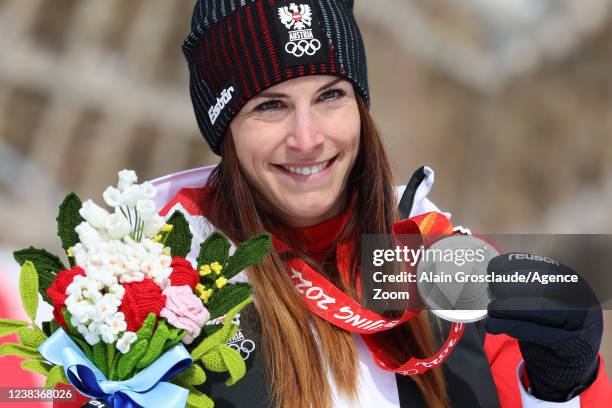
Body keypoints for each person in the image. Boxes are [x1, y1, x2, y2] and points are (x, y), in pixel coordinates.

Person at [153, 0, 611, 407]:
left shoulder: (446, 268)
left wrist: (561, 385)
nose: (308, 139)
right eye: (270, 106)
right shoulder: (149, 292)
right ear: (225, 132)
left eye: (331, 95)